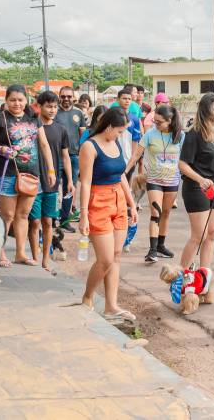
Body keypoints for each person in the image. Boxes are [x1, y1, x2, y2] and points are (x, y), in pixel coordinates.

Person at [0, 85, 55, 268]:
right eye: (13, 100)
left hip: (31, 174)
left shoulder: (34, 119)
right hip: (7, 174)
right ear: (6, 100)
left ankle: (20, 253)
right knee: (7, 216)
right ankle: (0, 252)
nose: (17, 103)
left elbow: (44, 145)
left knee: (23, 215)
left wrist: (51, 170)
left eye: (20, 100)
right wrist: (1, 149)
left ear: (26, 101)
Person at [78, 107, 138, 323]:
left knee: (116, 256)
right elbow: (84, 182)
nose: (121, 135)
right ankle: (87, 297)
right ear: (109, 126)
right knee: (104, 259)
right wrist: (83, 214)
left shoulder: (115, 142)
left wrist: (131, 203)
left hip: (118, 201)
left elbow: (121, 174)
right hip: (98, 201)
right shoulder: (89, 146)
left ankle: (111, 306)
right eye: (120, 131)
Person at [125, 104, 184, 263]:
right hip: (154, 180)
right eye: (154, 121)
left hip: (172, 180)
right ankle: (152, 250)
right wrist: (124, 172)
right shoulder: (150, 134)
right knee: (155, 213)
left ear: (170, 121)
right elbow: (136, 155)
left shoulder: (180, 136)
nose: (155, 124)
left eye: (159, 122)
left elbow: (185, 160)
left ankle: (161, 246)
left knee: (166, 213)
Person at [178, 94, 214, 278]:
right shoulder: (194, 134)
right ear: (206, 110)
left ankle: (204, 277)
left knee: (212, 233)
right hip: (197, 187)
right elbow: (182, 164)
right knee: (199, 235)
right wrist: (200, 179)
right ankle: (180, 277)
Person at [28, 91, 73, 270]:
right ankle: (33, 256)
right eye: (49, 106)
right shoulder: (32, 127)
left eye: (55, 106)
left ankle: (46, 259)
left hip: (52, 181)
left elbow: (65, 156)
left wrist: (70, 180)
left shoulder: (61, 129)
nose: (52, 110)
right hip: (32, 179)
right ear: (39, 106)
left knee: (48, 221)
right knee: (34, 221)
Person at [55, 86, 86, 233]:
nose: (66, 99)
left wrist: (81, 154)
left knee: (69, 188)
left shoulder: (78, 113)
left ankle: (64, 220)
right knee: (52, 188)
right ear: (59, 97)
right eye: (63, 96)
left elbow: (83, 135)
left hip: (73, 157)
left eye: (69, 96)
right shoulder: (54, 112)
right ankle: (51, 218)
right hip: (55, 157)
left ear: (73, 97)